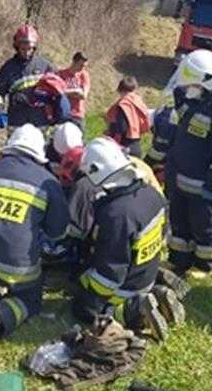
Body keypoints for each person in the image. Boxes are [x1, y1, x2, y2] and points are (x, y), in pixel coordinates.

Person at [0, 124, 69, 355]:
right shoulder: (48, 182)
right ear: (39, 153)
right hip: (14, 263)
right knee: (31, 298)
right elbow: (57, 233)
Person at [73, 137, 184, 341]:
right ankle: (157, 292)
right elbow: (163, 234)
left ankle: (135, 309)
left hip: (125, 287)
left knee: (84, 308)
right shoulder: (151, 193)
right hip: (147, 271)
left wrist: (89, 292)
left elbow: (110, 273)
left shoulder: (117, 214)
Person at [165, 50, 212, 277]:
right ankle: (179, 259)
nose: (189, 89)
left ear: (206, 82)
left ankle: (203, 263)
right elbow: (185, 115)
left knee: (203, 224)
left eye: (192, 84)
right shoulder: (200, 99)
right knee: (179, 220)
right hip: (180, 177)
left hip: (202, 184)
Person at [0, 24, 53, 131]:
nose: (26, 52)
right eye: (23, 49)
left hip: (40, 121)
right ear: (17, 47)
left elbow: (56, 90)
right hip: (17, 120)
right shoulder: (8, 68)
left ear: (34, 47)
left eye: (30, 49)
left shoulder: (45, 66)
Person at [105, 76, 151, 157]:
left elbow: (121, 128)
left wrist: (110, 131)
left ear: (120, 90)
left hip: (123, 147)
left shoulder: (123, 105)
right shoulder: (139, 103)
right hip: (136, 146)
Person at [58, 52, 91, 131]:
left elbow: (83, 95)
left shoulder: (84, 75)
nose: (82, 68)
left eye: (84, 66)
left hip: (77, 115)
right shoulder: (61, 74)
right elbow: (58, 92)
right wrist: (75, 91)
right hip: (63, 113)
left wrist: (66, 93)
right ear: (74, 62)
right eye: (81, 65)